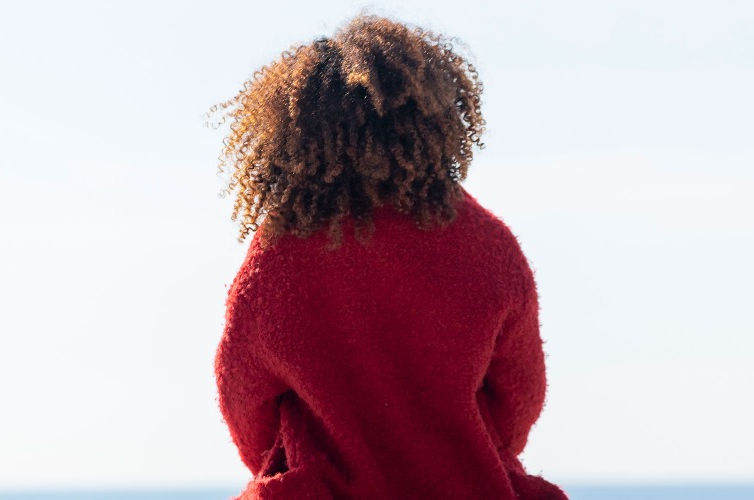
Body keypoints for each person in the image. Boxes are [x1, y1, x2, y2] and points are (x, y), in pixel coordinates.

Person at [210, 13, 566, 500]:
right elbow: (518, 401)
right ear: (433, 122)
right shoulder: (488, 245)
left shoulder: (278, 254)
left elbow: (245, 403)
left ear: (296, 134)